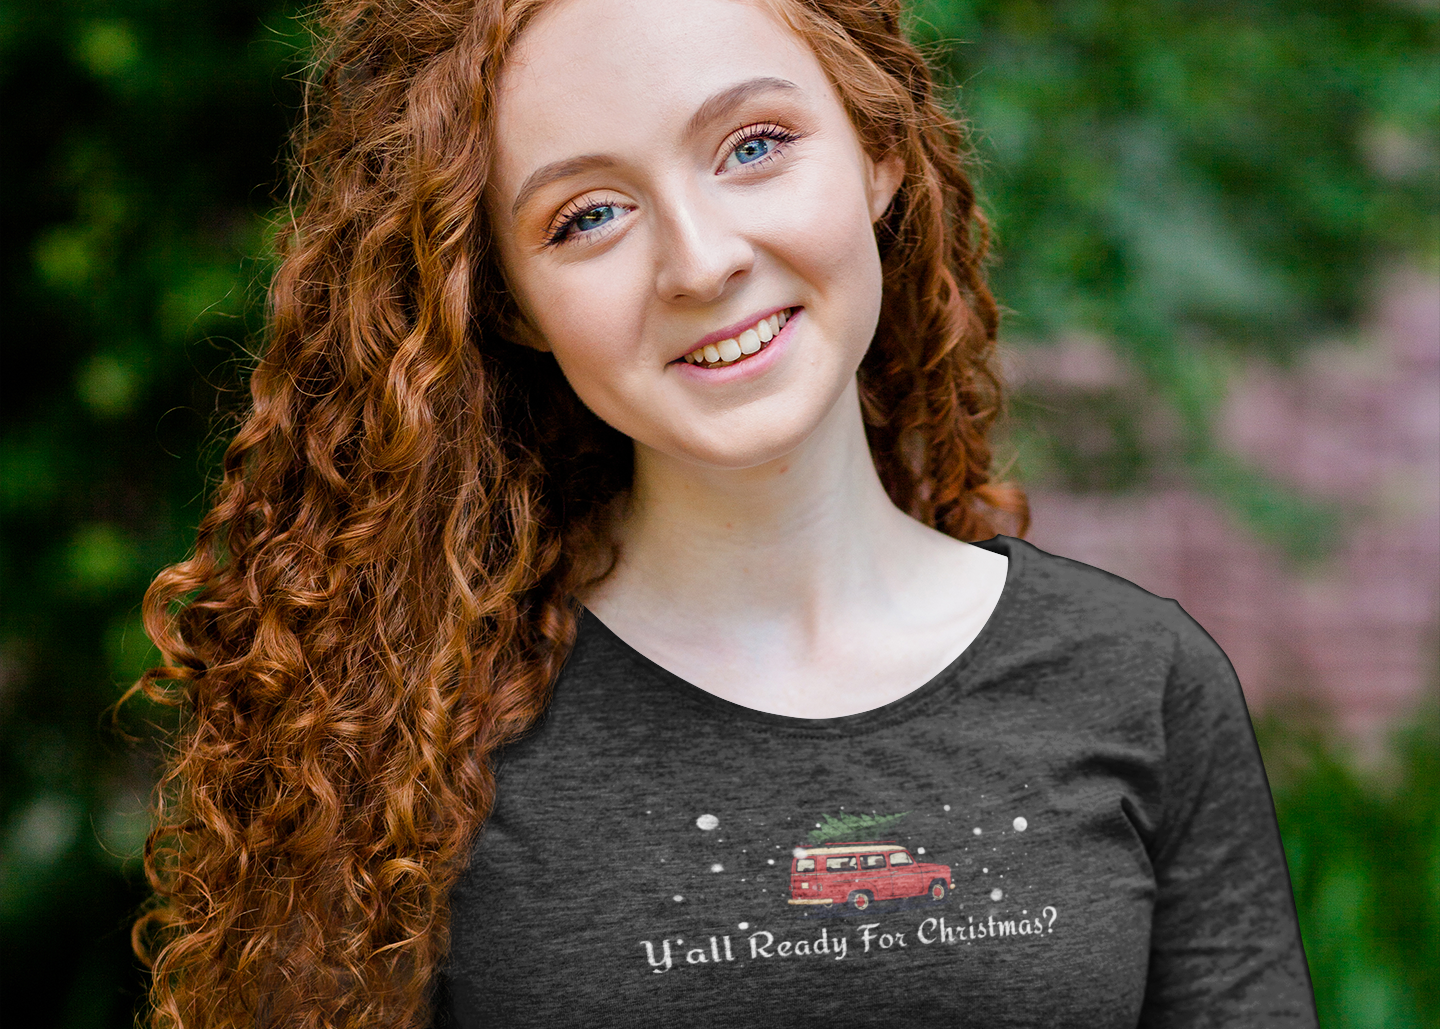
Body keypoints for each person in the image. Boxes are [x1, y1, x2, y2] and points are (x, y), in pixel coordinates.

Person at [130, 0, 1318, 1026]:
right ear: (510, 305)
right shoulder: (396, 745)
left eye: (754, 146)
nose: (700, 263)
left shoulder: (1139, 683)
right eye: (587, 216)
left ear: (879, 153)